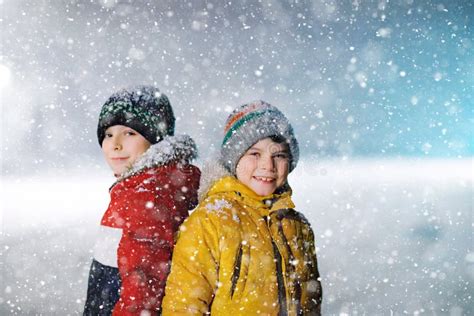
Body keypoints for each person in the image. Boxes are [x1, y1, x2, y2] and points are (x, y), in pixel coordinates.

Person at [162, 100, 322, 315]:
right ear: (233, 160)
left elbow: (310, 303)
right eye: (254, 154)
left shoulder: (298, 226)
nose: (267, 165)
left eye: (279, 155)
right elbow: (183, 306)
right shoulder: (210, 220)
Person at [83, 85, 200, 315]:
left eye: (130, 133)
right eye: (108, 134)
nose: (115, 144)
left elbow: (142, 290)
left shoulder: (145, 195)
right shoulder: (152, 185)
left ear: (156, 139)